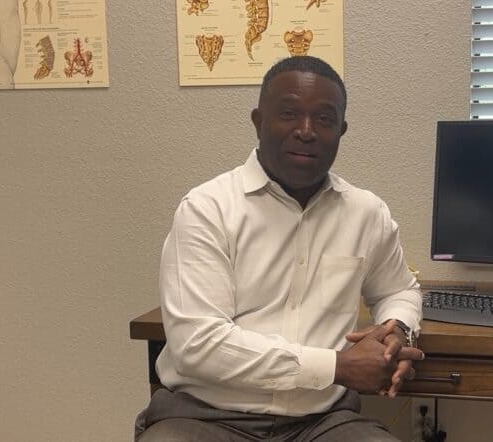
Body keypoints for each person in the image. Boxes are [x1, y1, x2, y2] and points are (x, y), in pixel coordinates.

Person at [134, 56, 424, 441]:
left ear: (342, 130)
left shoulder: (366, 213)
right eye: (289, 113)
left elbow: (399, 290)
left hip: (321, 421)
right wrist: (336, 367)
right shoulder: (208, 209)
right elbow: (198, 346)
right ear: (258, 121)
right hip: (204, 418)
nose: (306, 131)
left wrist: (397, 331)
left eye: (324, 119)